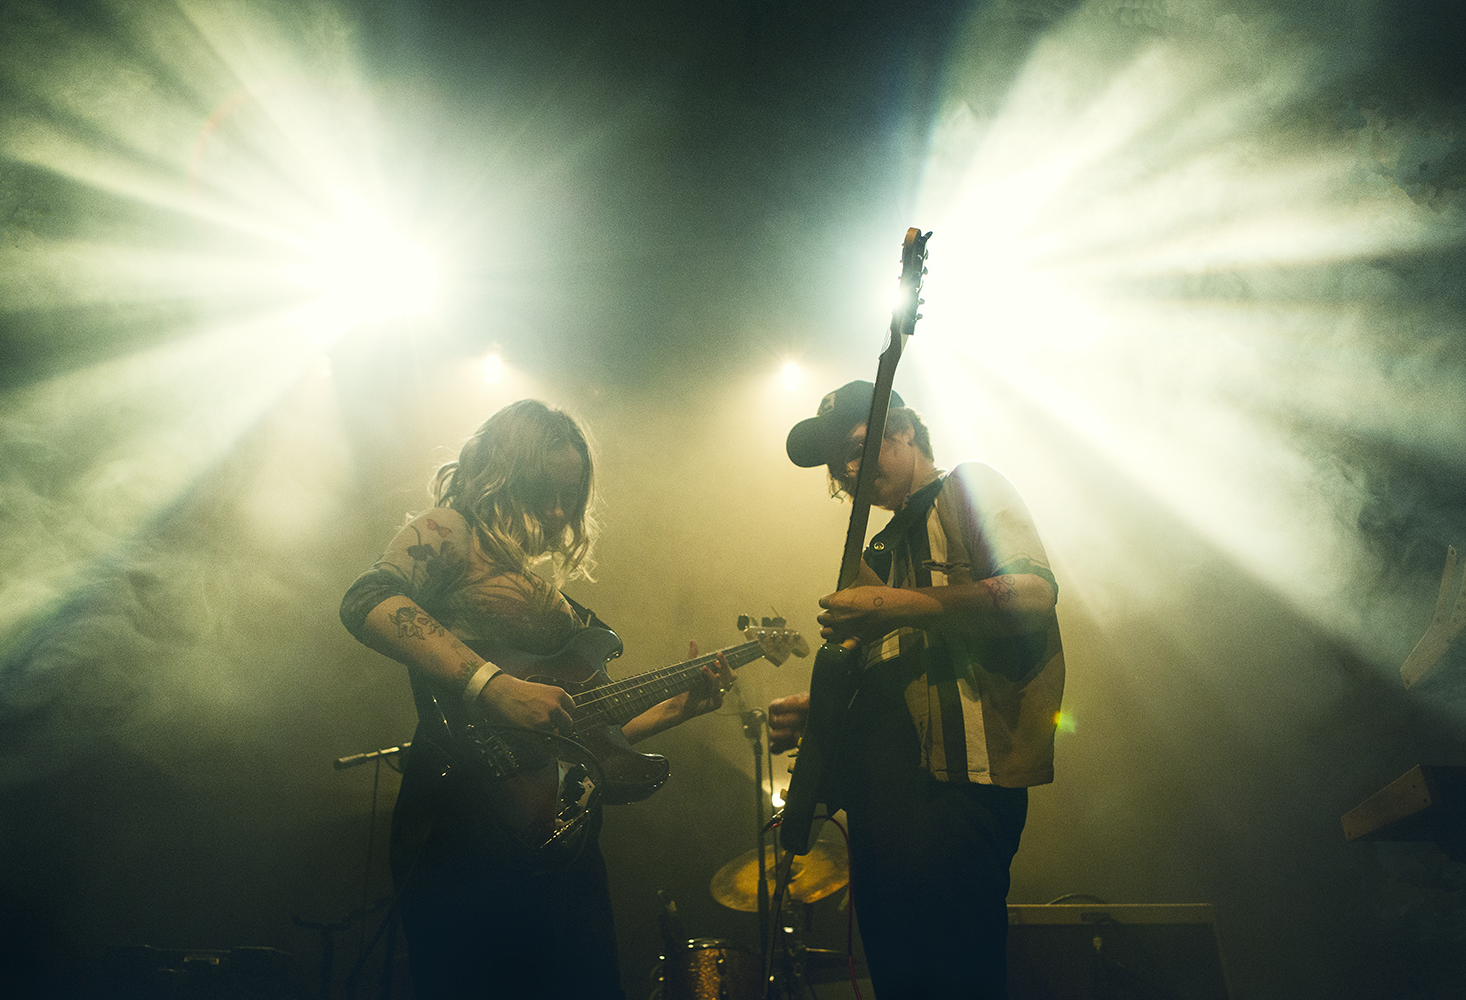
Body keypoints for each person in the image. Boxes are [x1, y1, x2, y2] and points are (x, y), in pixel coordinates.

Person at [339, 399, 732, 1000]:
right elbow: (368, 599)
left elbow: (585, 729)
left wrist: (683, 707)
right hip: (461, 817)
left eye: (568, 497)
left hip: (559, 839)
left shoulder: (559, 605)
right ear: (501, 475)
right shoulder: (449, 530)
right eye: (544, 490)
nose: (556, 511)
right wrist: (492, 686)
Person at [769, 380, 1065, 1000]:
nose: (846, 470)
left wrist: (896, 603)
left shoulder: (969, 489)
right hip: (885, 806)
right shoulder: (881, 545)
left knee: (955, 979)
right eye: (835, 463)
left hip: (956, 792)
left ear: (904, 429)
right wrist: (826, 713)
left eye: (858, 447)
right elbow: (898, 674)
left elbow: (1033, 596)